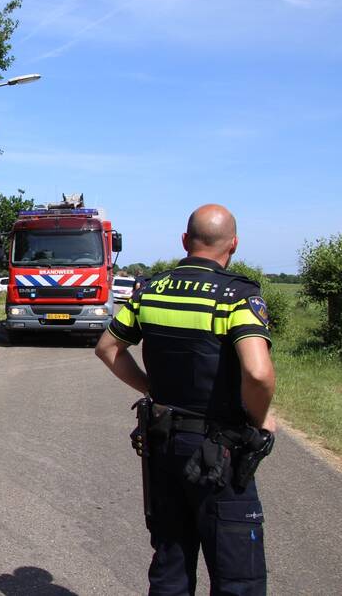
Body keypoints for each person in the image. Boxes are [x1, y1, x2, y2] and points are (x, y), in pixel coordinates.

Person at [94, 204, 276, 595]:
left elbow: (108, 347)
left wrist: (151, 390)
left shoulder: (150, 290)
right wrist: (259, 422)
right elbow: (258, 373)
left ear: (184, 241)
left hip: (162, 444)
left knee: (170, 568)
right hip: (220, 450)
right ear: (234, 245)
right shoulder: (236, 296)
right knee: (237, 576)